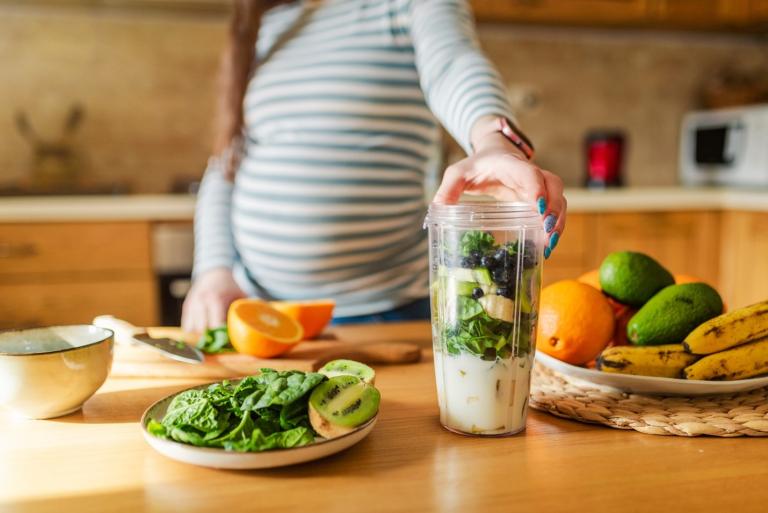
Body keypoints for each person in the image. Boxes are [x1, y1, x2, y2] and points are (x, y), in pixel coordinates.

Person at [182, 0, 566, 332]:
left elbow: (452, 64)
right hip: (265, 314)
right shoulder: (272, 24)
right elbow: (227, 164)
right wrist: (213, 270)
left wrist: (493, 140)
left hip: (384, 314)